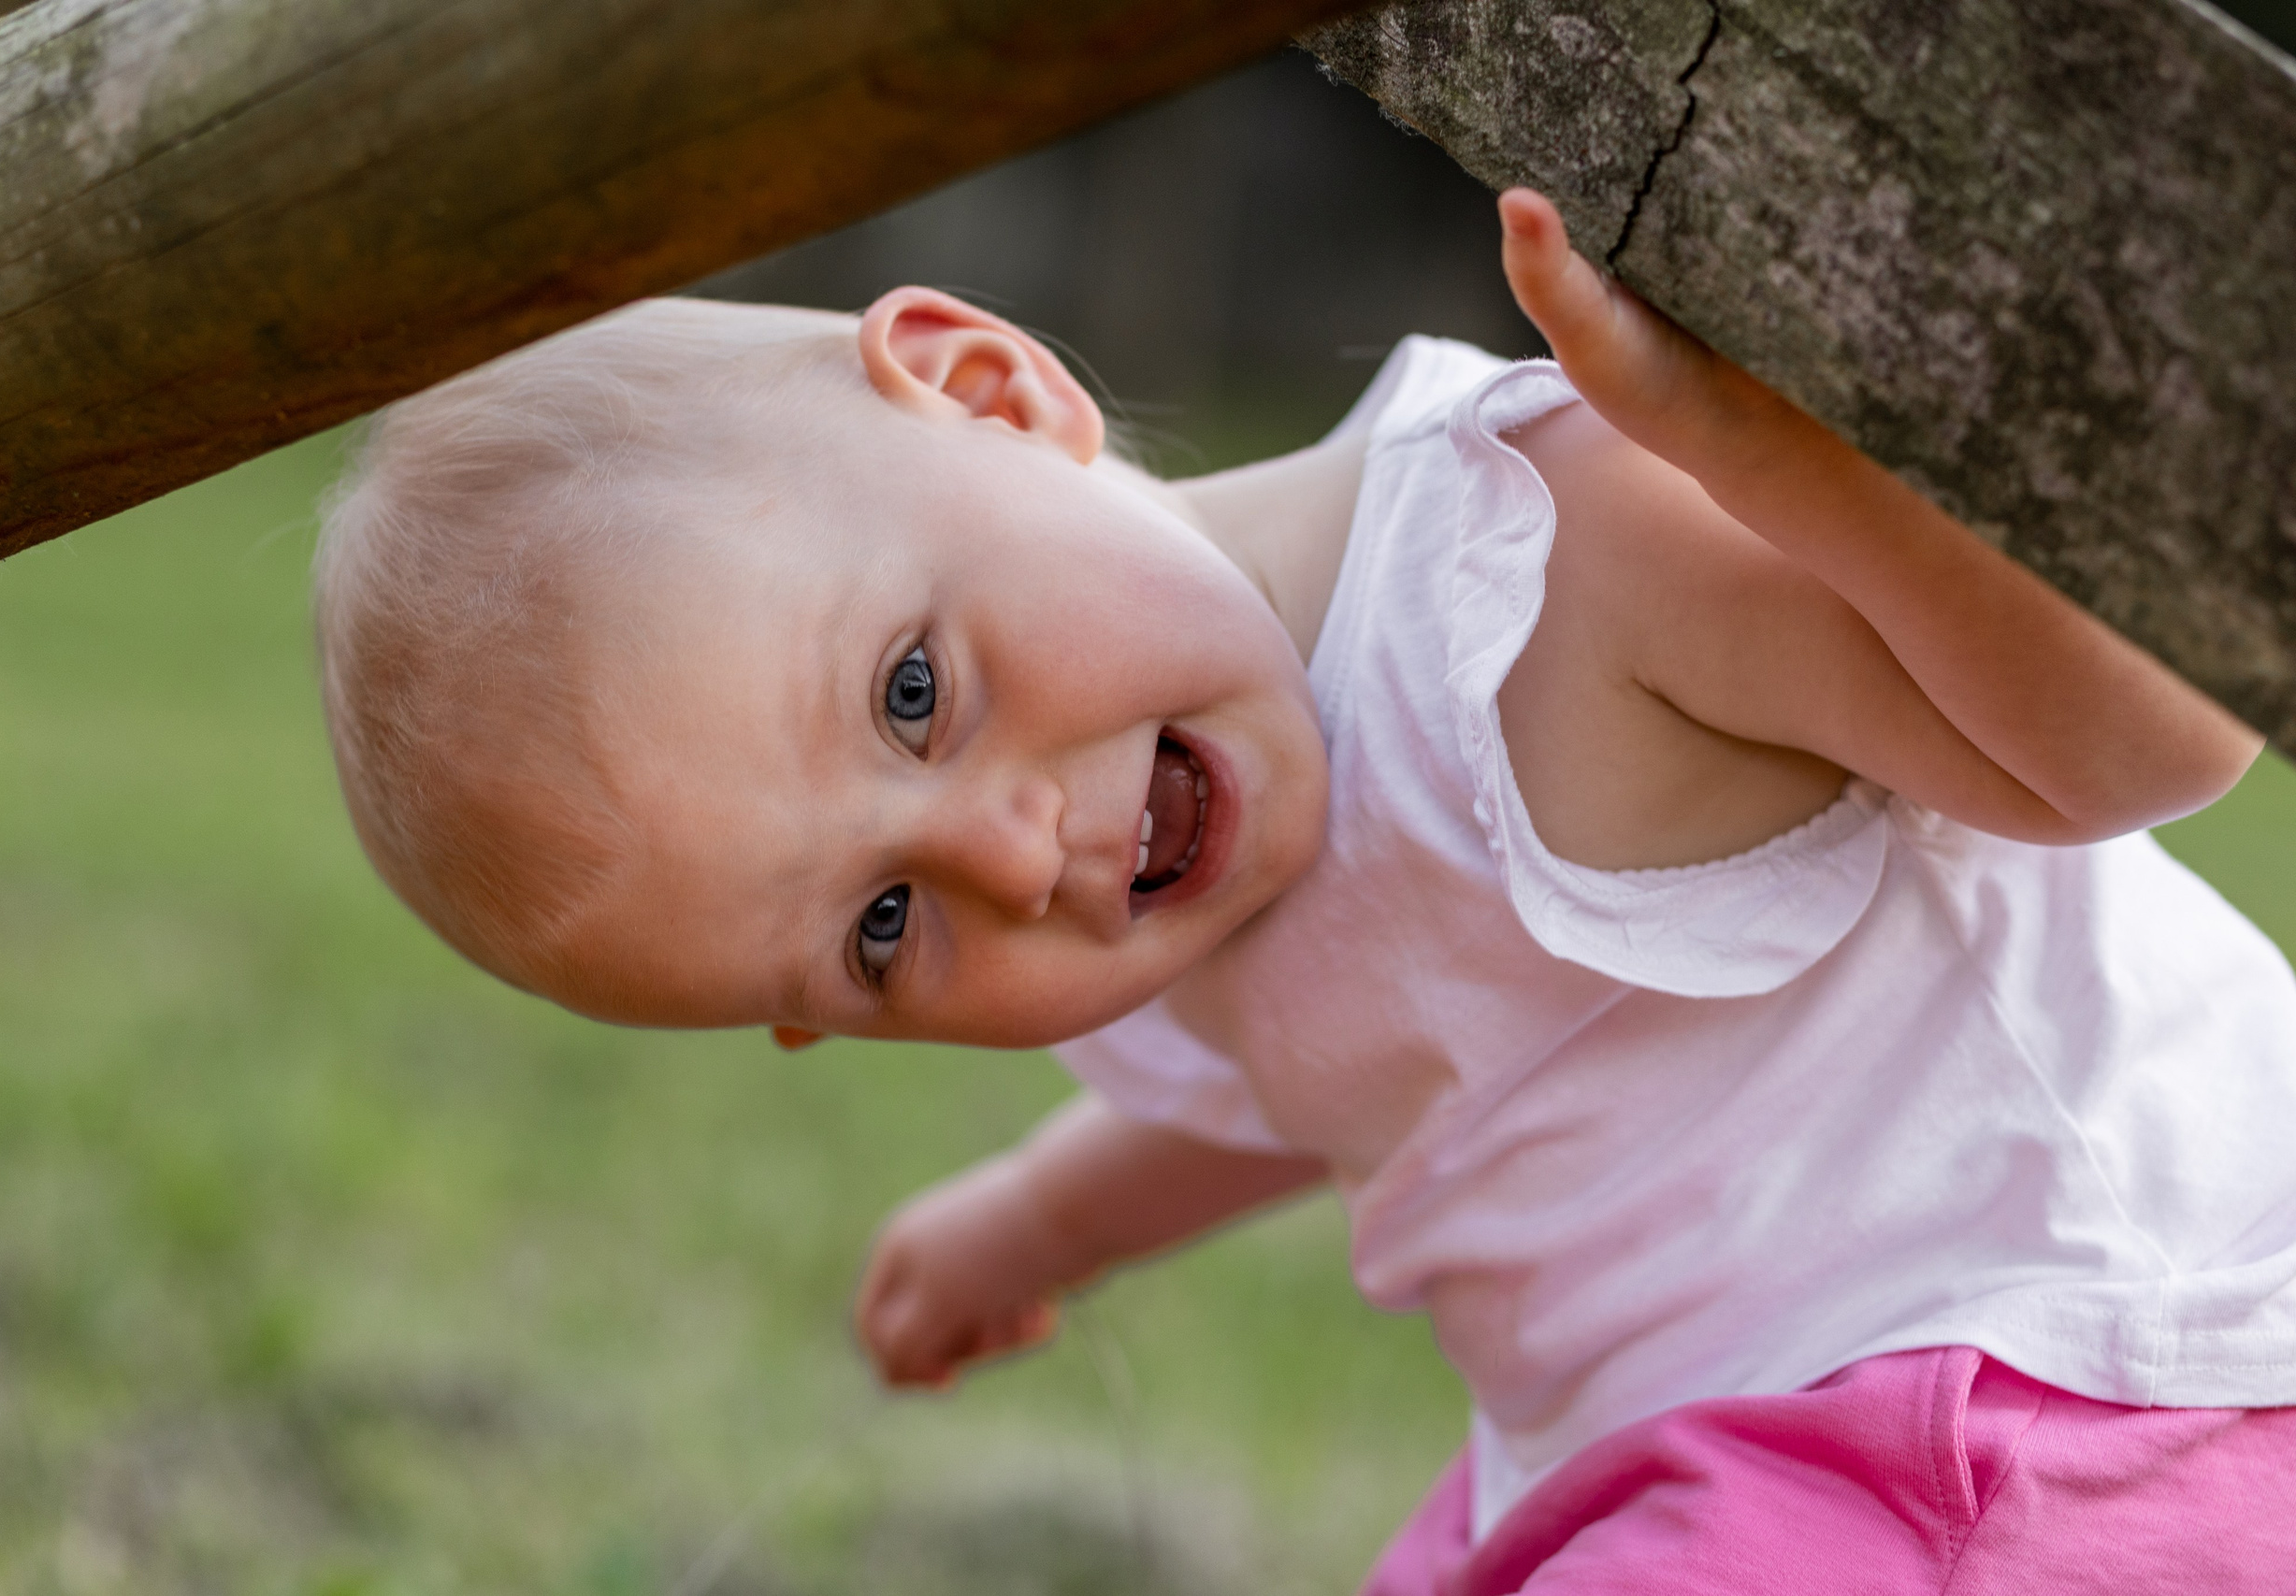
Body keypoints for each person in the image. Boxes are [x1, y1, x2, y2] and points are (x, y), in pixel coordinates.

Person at [311, 190, 2296, 1591]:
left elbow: (2160, 739)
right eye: (881, 929)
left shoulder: (1546, 567)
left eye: (914, 692)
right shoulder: (1164, 864)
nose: (1005, 854)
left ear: (994, 389)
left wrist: (1769, 461)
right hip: (1715, 1432)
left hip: (2060, 1371)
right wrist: (1025, 1221)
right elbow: (1315, 1069)